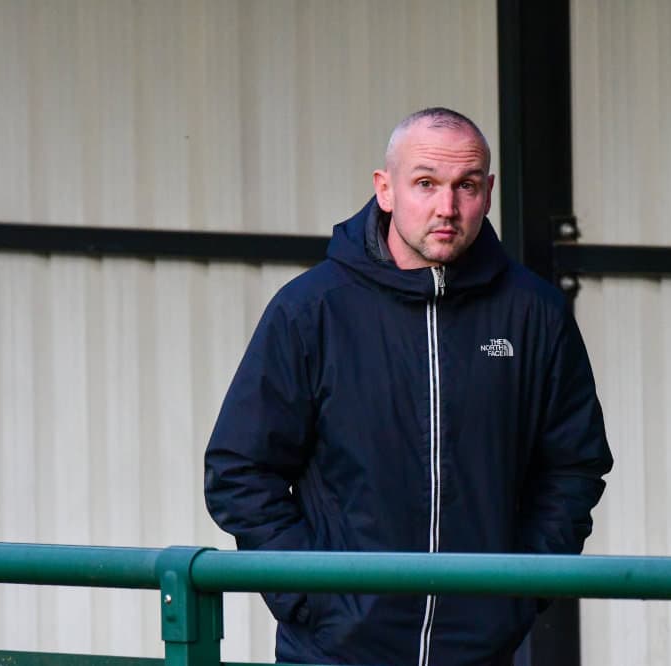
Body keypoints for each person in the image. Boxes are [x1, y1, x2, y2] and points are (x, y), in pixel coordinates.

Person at [204, 107, 612, 666]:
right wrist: (313, 598)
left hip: (482, 652)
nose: (447, 207)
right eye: (425, 183)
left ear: (488, 193)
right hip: (334, 654)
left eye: (466, 185)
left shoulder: (534, 314)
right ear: (385, 189)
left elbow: (573, 465)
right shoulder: (312, 310)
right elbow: (239, 470)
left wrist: (518, 593)